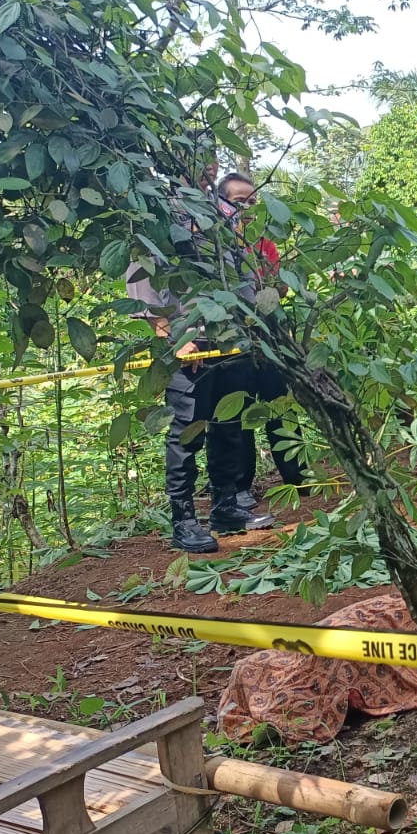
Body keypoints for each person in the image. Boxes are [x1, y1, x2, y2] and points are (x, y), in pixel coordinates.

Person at [126, 164, 273, 554]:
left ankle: (227, 507)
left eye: (209, 161)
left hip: (231, 339)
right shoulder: (159, 210)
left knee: (229, 425)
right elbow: (143, 274)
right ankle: (184, 519)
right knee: (187, 433)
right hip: (189, 345)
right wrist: (171, 336)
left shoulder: (221, 212)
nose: (204, 169)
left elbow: (242, 272)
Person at [215, 172, 306, 500]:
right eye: (240, 201)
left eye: (253, 201)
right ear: (222, 204)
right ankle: (241, 486)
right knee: (237, 412)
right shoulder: (216, 244)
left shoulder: (265, 243)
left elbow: (278, 289)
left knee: (280, 404)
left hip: (267, 337)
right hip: (230, 340)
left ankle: (297, 475)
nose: (248, 208)